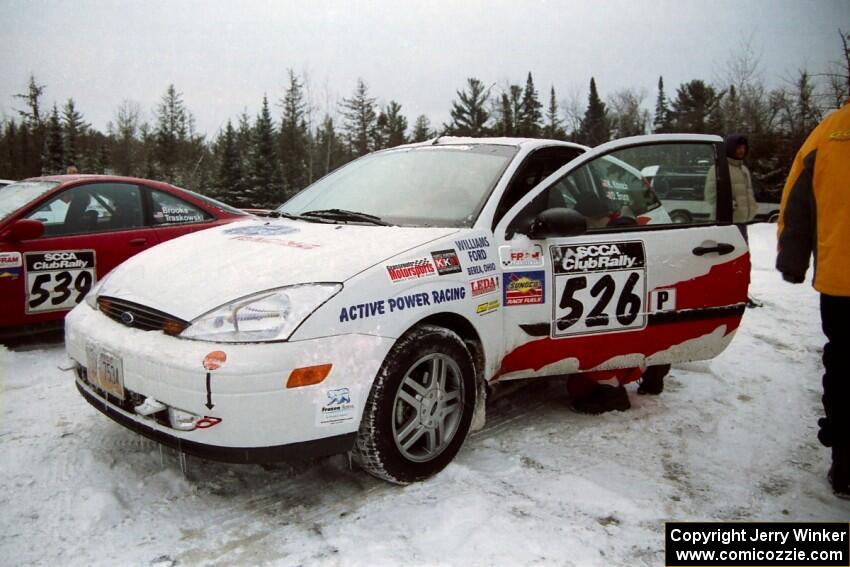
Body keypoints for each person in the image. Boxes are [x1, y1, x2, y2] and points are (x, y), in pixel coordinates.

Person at [776, 101, 850, 500]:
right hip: (841, 281)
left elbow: (795, 203)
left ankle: (846, 464)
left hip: (842, 282)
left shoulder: (830, 132)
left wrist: (792, 260)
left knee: (844, 371)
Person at [705, 134, 760, 307]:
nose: (742, 150)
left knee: (743, 260)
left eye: (744, 147)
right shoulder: (719, 168)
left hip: (741, 222)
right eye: (738, 147)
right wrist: (730, 206)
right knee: (727, 261)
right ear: (730, 148)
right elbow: (711, 195)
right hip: (726, 223)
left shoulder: (743, 169)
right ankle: (723, 293)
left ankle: (742, 292)